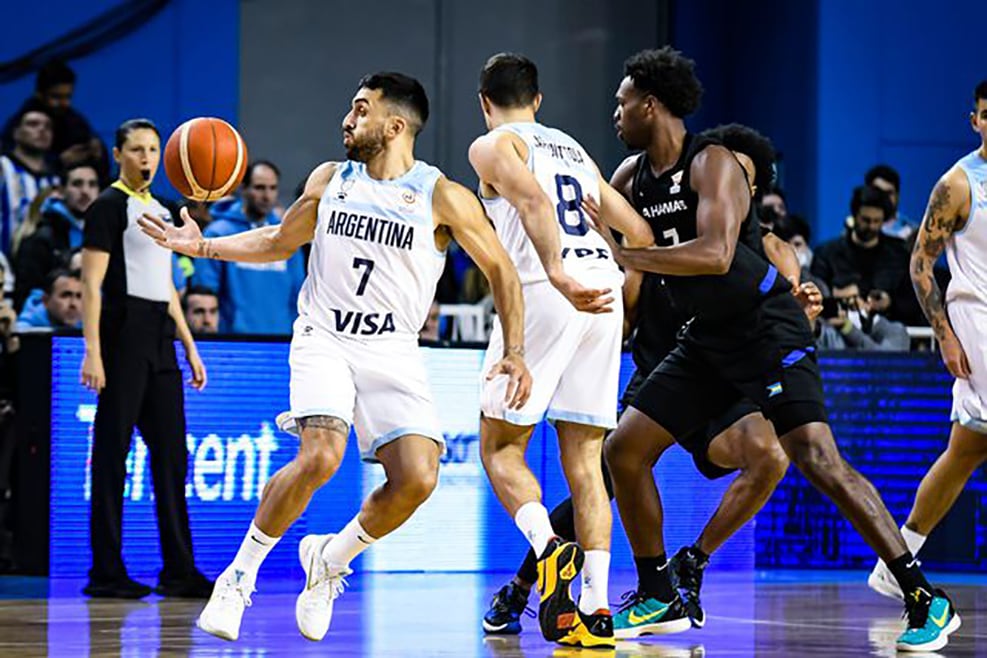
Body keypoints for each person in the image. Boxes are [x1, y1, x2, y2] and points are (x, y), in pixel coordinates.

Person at [584, 47, 958, 653]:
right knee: (624, 449)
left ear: (650, 103)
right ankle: (658, 590)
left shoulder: (714, 164)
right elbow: (599, 223)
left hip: (766, 326)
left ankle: (923, 595)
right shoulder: (630, 176)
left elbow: (716, 255)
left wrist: (630, 256)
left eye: (622, 101)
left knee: (815, 458)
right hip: (705, 337)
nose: (616, 112)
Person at [139, 72, 531, 643]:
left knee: (418, 479)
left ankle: (330, 559)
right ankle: (238, 577)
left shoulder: (441, 195)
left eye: (361, 109)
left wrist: (515, 350)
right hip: (324, 336)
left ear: (395, 125)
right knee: (322, 455)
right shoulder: (330, 180)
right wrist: (199, 246)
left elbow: (502, 269)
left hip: (391, 348)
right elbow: (277, 240)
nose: (348, 120)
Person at [482, 122, 822, 639]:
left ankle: (693, 562)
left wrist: (805, 309)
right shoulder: (656, 216)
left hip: (725, 377)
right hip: (664, 365)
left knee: (770, 456)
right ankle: (526, 584)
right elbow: (627, 286)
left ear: (750, 191)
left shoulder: (768, 248)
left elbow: (787, 312)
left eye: (742, 177)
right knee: (605, 474)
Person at [469, 52, 653, 649]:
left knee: (499, 447)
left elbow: (533, 205)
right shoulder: (571, 147)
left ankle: (549, 552)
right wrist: (615, 290)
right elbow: (640, 235)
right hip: (604, 290)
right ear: (539, 100)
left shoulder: (492, 146)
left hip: (548, 290)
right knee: (584, 458)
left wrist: (557, 270)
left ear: (484, 101)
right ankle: (596, 612)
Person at [80, 118, 211, 600]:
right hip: (122, 338)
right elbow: (91, 286)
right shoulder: (107, 207)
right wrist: (93, 351)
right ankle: (106, 571)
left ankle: (180, 570)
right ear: (118, 154)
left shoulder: (164, 209)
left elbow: (168, 286)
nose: (147, 158)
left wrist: (189, 345)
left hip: (160, 339)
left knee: (172, 460)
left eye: (153, 150)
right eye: (136, 150)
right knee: (113, 456)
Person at [868, 80, 987, 602]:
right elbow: (920, 264)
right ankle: (898, 559)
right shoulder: (959, 184)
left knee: (965, 450)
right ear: (975, 120)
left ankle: (898, 558)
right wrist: (945, 336)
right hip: (978, 322)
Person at [192, 160, 305, 334]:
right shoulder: (218, 234)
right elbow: (205, 294)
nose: (267, 196)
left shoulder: (287, 236)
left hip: (282, 341)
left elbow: (298, 294)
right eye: (259, 188)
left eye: (273, 188)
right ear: (243, 188)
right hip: (231, 341)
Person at [812, 185, 922, 325]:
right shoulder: (826, 254)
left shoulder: (899, 256)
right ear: (855, 216)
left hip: (889, 332)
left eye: (877, 221)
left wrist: (889, 303)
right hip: (838, 333)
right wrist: (839, 298)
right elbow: (815, 299)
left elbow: (913, 302)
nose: (871, 227)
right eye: (866, 220)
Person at [14, 161, 99, 308]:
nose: (85, 191)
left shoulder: (106, 232)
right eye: (77, 184)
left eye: (92, 184)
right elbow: (27, 300)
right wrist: (67, 266)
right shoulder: (40, 238)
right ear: (61, 191)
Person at [1, 108, 59, 255]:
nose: (42, 130)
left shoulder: (56, 180)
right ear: (16, 133)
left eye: (48, 127)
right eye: (33, 124)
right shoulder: (3, 167)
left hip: (41, 270)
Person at [816, 282, 909, 351]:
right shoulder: (830, 332)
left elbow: (882, 361)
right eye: (844, 305)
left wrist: (848, 327)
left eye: (852, 305)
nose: (843, 313)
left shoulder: (896, 331)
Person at [15, 268, 82, 330]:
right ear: (46, 301)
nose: (73, 304)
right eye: (66, 296)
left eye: (79, 296)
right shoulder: (22, 332)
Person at [865, 164, 916, 240]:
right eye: (879, 192)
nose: (884, 198)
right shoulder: (855, 230)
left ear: (897, 196)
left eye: (889, 193)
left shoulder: (913, 233)